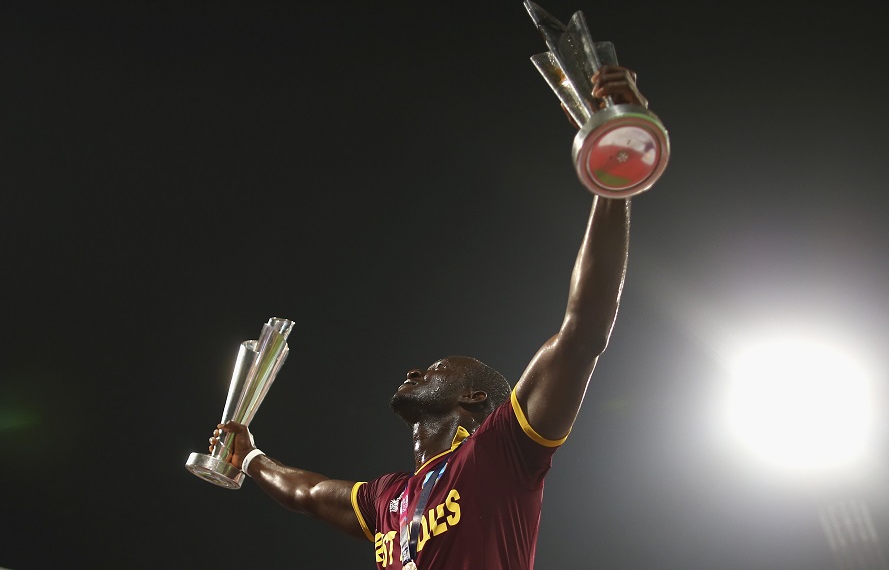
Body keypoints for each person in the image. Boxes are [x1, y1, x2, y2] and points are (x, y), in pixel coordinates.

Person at [211, 65, 647, 570]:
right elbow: (306, 492)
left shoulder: (502, 452)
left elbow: (582, 333)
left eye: (439, 369)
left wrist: (613, 181)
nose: (416, 371)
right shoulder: (388, 500)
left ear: (473, 396)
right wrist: (249, 458)